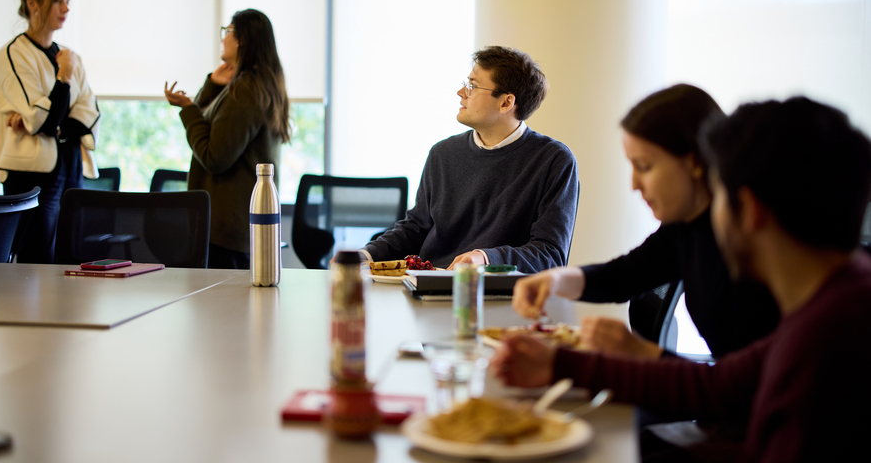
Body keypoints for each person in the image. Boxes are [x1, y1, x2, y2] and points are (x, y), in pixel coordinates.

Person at [495, 96, 871, 462]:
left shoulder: (827, 335)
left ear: (750, 210)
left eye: (719, 188)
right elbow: (722, 385)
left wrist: (636, 357)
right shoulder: (831, 303)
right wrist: (561, 364)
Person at [512, 85, 779, 359]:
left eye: (644, 167)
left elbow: (745, 380)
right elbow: (622, 276)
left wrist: (643, 353)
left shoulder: (749, 244)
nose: (634, 184)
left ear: (695, 162)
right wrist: (554, 279)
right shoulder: (684, 227)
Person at [363, 46, 579, 273]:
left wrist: (485, 258)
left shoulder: (554, 161)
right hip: (430, 286)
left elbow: (550, 254)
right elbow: (416, 228)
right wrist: (364, 254)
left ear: (506, 103)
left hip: (502, 297)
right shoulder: (442, 153)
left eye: (473, 86)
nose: (461, 92)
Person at [0, 0, 100, 264]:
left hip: (71, 165)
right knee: (36, 260)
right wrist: (63, 80)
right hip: (33, 173)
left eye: (68, 1)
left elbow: (89, 112)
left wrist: (56, 128)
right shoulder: (14, 54)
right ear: (33, 4)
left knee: (71, 257)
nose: (66, 8)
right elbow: (40, 119)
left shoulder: (70, 56)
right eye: (57, 0)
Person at [165, 9, 290, 269]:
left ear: (241, 39)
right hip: (231, 228)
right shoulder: (250, 83)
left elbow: (214, 156)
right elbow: (209, 124)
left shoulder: (246, 89)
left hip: (227, 231)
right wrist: (212, 84)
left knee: (221, 309)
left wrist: (188, 108)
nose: (223, 38)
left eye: (228, 31)